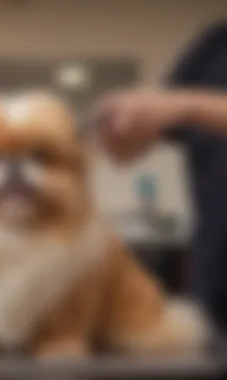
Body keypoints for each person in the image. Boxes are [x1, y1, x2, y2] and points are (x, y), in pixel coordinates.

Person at [96, 88, 227, 335]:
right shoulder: (204, 58)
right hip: (214, 289)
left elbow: (178, 107)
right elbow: (127, 149)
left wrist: (189, 105)